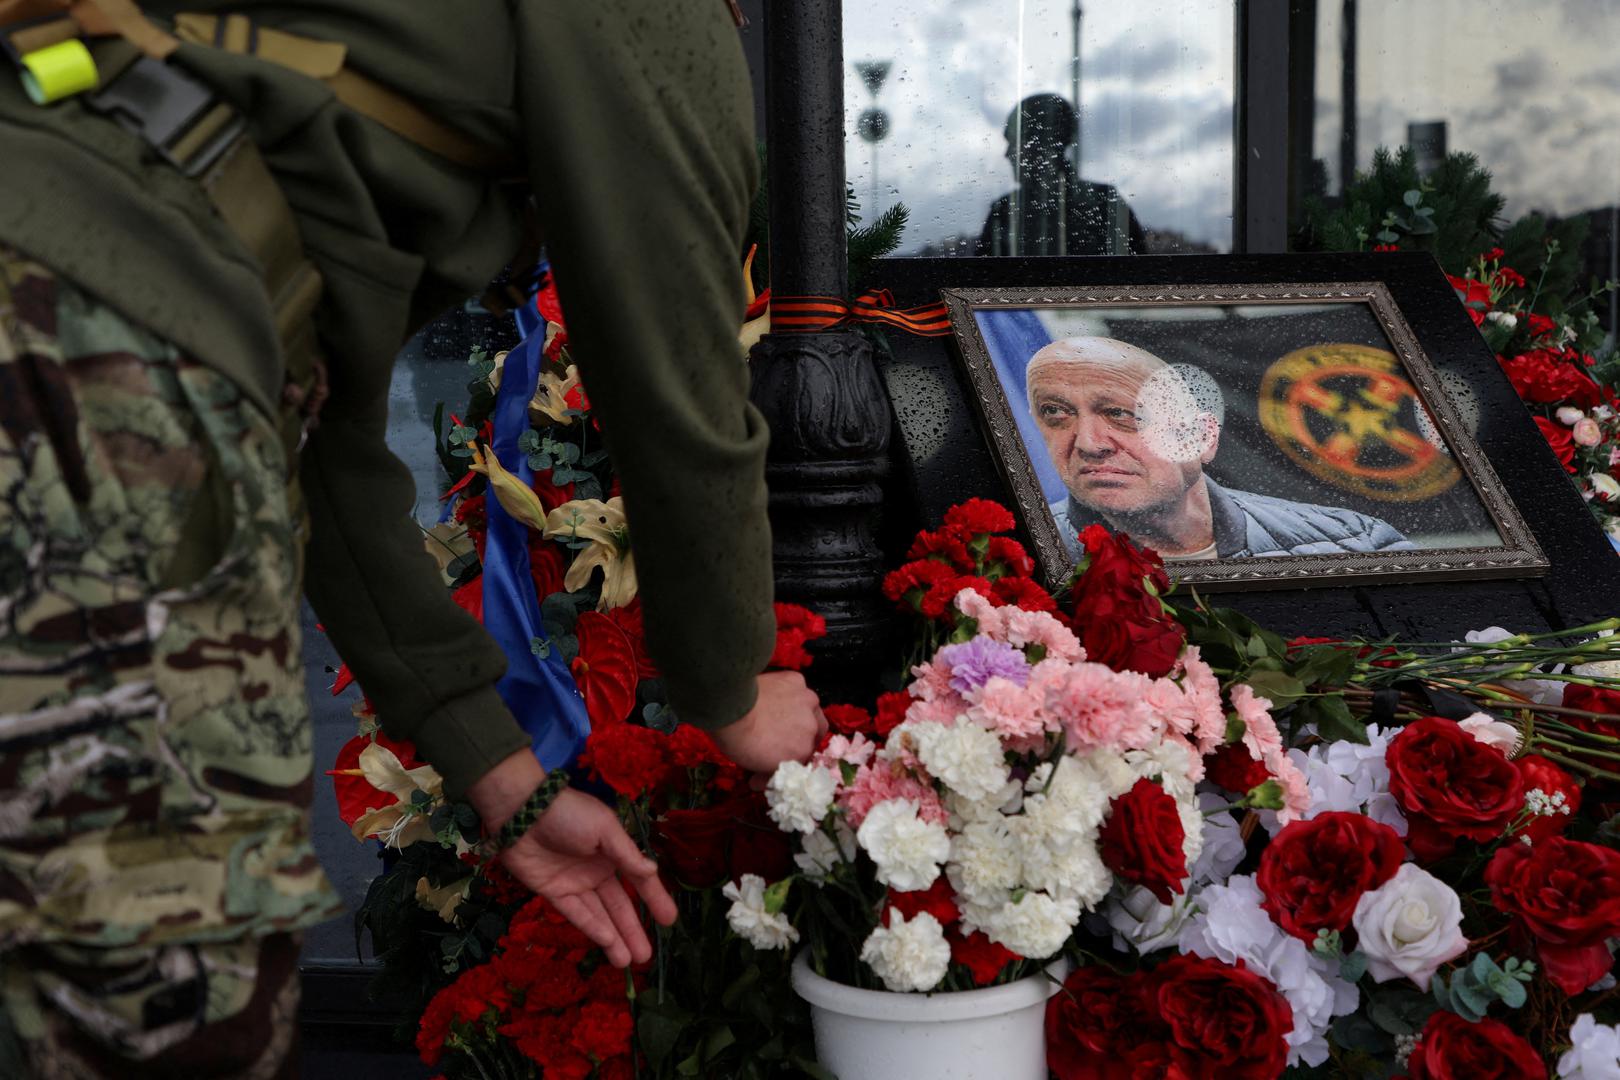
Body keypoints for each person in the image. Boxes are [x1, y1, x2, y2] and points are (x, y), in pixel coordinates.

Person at [0, 1, 822, 1075]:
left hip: (76, 284)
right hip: (88, 343)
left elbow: (322, 450)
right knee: (162, 1010)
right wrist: (733, 683)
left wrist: (495, 769)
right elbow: (674, 370)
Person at [1026, 337, 1413, 559]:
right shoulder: (1015, 562)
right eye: (1056, 413)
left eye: (1120, 414)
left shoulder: (1356, 542)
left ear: (1202, 438)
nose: (1089, 444)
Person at [978, 93, 1147, 257]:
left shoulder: (1006, 211)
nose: (1007, 154)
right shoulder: (1106, 203)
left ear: (1042, 145)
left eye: (1015, 143)